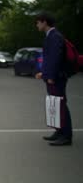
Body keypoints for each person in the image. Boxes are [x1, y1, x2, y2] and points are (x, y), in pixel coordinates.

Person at [35, 12, 72, 146]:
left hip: (57, 77)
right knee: (55, 105)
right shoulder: (50, 36)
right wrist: (43, 73)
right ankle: (59, 131)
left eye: (38, 22)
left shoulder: (55, 36)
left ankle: (66, 136)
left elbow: (55, 58)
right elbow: (49, 59)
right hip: (52, 76)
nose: (37, 25)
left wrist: (50, 76)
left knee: (60, 105)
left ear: (44, 22)